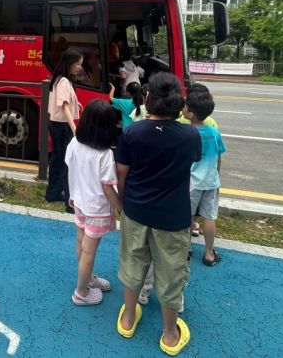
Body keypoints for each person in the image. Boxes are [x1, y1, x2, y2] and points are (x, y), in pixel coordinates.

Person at [115, 72, 201, 356]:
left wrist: (126, 202)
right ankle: (169, 335)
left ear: (148, 98)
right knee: (170, 273)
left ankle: (128, 319)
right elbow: (191, 164)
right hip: (173, 217)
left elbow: (122, 174)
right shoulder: (190, 135)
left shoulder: (132, 132)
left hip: (136, 211)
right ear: (179, 102)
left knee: (133, 263)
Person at [65, 99, 122, 305]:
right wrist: (120, 208)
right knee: (89, 250)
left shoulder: (74, 143)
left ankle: (87, 279)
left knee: (81, 242)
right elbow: (108, 187)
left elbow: (68, 164)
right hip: (96, 208)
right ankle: (81, 292)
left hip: (79, 201)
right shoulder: (105, 154)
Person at [183, 87, 226, 267]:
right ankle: (209, 254)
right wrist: (216, 178)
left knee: (186, 217)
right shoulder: (214, 133)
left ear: (191, 114)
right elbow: (218, 159)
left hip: (192, 183)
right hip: (211, 181)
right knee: (209, 217)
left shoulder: (186, 134)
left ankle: (186, 250)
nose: (182, 108)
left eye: (185, 106)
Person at [45, 47, 84, 213]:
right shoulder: (64, 82)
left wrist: (77, 104)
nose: (79, 67)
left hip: (56, 124)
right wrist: (74, 128)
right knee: (67, 163)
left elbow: (66, 103)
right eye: (77, 64)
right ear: (69, 64)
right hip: (62, 126)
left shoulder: (59, 80)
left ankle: (52, 193)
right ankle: (70, 202)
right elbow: (65, 107)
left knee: (57, 159)